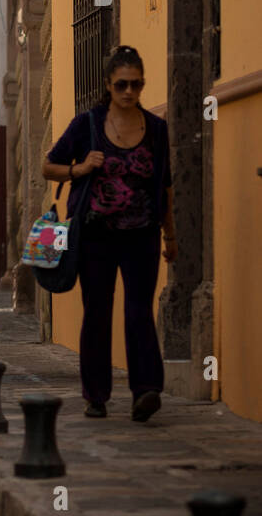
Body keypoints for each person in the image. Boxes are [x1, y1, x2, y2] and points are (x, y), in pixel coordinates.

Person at [42, 45, 175, 422]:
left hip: (142, 236)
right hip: (95, 235)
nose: (130, 92)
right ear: (108, 85)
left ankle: (146, 391)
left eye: (136, 84)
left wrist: (171, 235)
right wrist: (80, 169)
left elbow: (165, 185)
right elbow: (48, 165)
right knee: (97, 312)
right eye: (122, 85)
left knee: (138, 312)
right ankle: (96, 394)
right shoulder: (87, 124)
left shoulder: (157, 129)